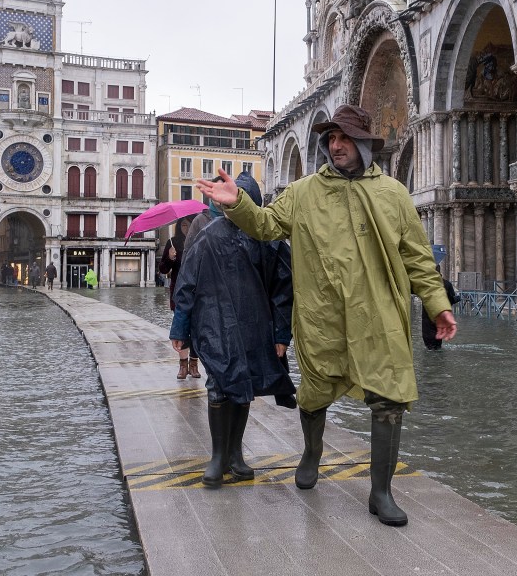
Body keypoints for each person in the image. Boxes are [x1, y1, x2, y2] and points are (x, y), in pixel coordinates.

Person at [197, 104, 457, 526]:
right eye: (330, 138)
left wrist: (438, 306)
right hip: (322, 317)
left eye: (344, 137)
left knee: (389, 397)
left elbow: (418, 260)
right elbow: (264, 226)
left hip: (379, 316)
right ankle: (312, 453)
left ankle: (381, 493)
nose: (335, 145)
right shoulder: (303, 193)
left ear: (364, 144)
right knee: (315, 394)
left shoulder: (393, 194)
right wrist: (237, 204)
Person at [170, 172, 296, 488]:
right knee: (219, 385)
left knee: (244, 384)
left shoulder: (271, 240)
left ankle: (236, 454)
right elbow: (187, 283)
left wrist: (282, 334)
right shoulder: (207, 237)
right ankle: (218, 456)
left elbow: (284, 289)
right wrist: (180, 328)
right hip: (214, 324)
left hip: (254, 324)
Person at [159, 217, 201, 380]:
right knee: (181, 329)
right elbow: (163, 269)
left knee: (196, 330)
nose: (186, 228)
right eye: (183, 225)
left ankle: (194, 364)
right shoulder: (173, 242)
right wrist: (170, 258)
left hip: (197, 292)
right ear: (178, 227)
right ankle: (183, 365)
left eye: (189, 225)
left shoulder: (199, 240)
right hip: (179, 293)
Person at [422, 264, 460, 350]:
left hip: (427, 317)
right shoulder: (447, 284)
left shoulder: (426, 284)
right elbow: (452, 299)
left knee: (429, 345)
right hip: (441, 315)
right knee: (438, 341)